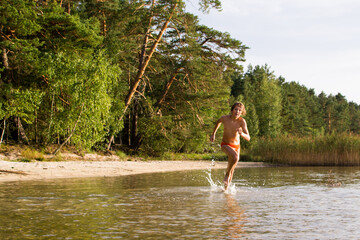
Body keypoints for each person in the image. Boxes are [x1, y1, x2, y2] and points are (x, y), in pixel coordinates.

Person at [210, 102, 250, 190]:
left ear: (242, 112)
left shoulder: (242, 121)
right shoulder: (225, 118)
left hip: (236, 146)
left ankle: (226, 191)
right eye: (236, 109)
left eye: (240, 110)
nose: (237, 111)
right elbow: (218, 122)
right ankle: (226, 175)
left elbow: (248, 137)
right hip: (225, 144)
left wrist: (241, 133)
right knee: (235, 157)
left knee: (232, 170)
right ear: (232, 110)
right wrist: (213, 134)